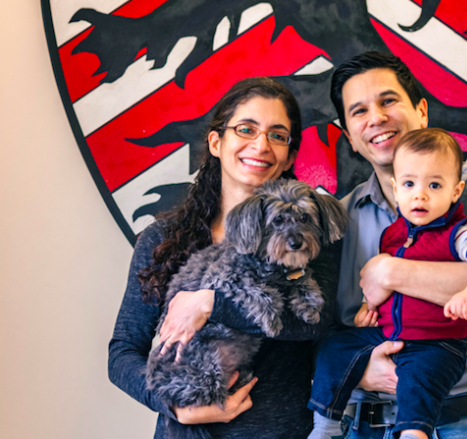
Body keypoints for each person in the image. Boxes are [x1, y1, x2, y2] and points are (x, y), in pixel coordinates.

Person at [309, 52, 467, 439]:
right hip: (358, 423)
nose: (377, 118)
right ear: (350, 136)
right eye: (359, 111)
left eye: (388, 101)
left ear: (421, 111)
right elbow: (324, 323)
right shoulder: (341, 215)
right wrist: (361, 368)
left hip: (456, 421)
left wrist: (393, 271)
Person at [108, 77, 341, 439]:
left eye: (278, 135)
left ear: (290, 156)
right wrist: (176, 407)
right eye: (246, 129)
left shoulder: (311, 232)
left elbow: (314, 323)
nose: (261, 145)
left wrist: (210, 304)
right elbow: (122, 353)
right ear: (217, 142)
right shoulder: (163, 239)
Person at [308, 128, 467, 439]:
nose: (420, 194)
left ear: (456, 192)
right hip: (389, 333)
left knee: (418, 377)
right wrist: (367, 307)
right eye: (410, 184)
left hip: (436, 341)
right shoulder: (392, 235)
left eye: (435, 185)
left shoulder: (459, 232)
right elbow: (381, 288)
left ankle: (414, 433)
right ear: (396, 188)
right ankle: (326, 425)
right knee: (335, 348)